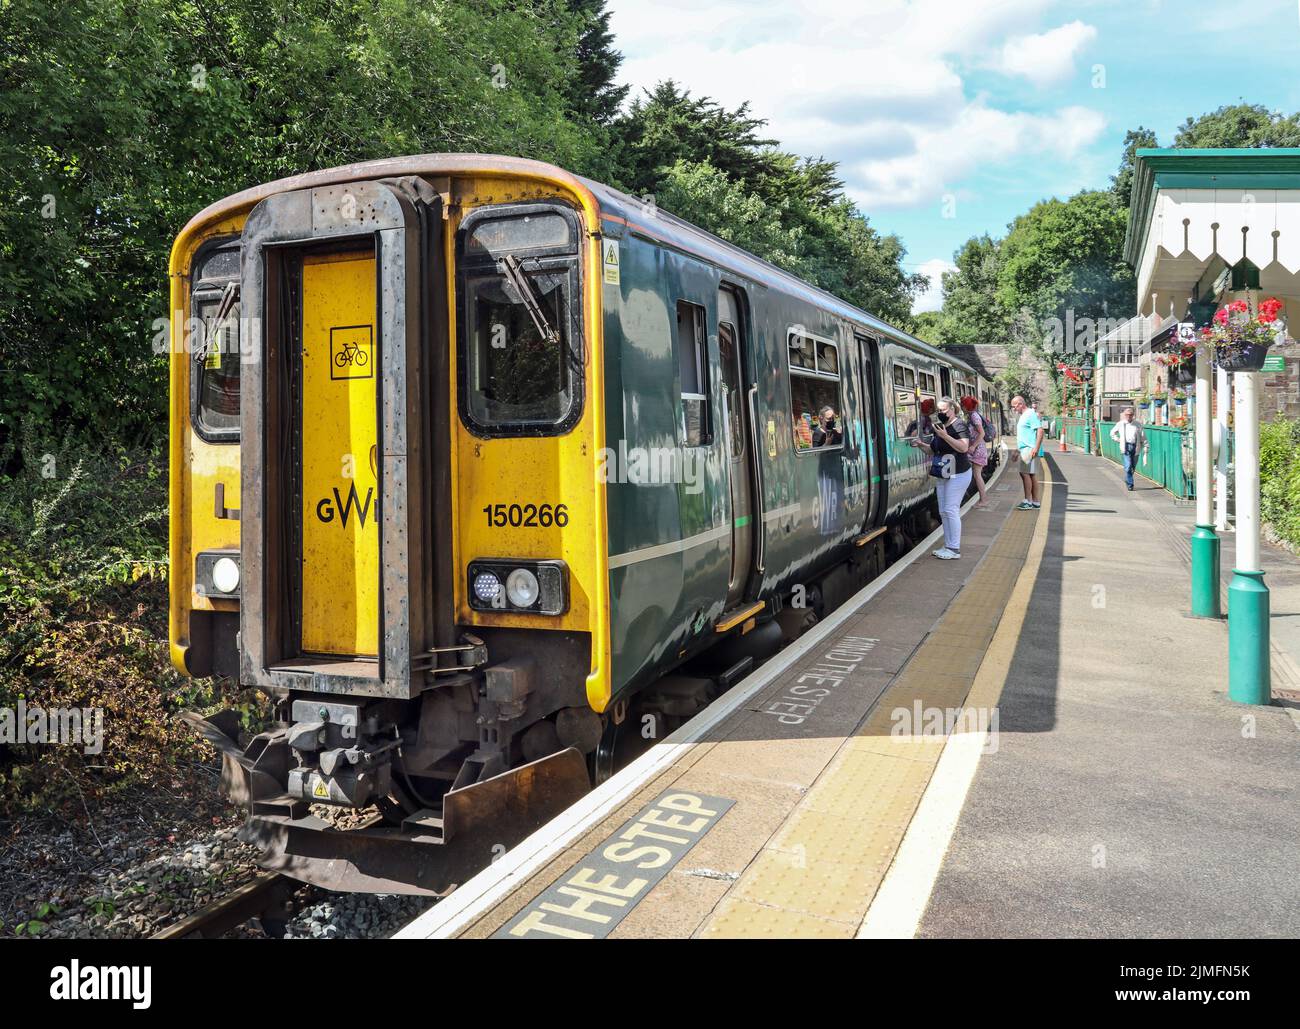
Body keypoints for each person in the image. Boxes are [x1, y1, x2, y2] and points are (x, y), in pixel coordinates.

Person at [910, 396, 972, 560]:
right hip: (944, 472)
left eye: (943, 410)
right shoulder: (941, 426)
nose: (940, 413)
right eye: (939, 410)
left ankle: (954, 548)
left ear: (952, 409)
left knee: (951, 509)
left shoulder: (959, 424)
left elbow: (964, 447)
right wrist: (921, 445)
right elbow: (933, 451)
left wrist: (945, 436)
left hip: (959, 473)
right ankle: (948, 545)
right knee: (943, 510)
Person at [1010, 395, 1045, 511]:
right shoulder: (1025, 415)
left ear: (1021, 404)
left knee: (1025, 474)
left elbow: (1040, 430)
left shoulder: (1030, 414)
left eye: (1014, 406)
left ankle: (1027, 501)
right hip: (1026, 448)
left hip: (1029, 449)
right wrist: (1017, 450)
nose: (1014, 409)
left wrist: (1036, 447)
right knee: (1031, 475)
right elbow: (1024, 435)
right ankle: (1035, 502)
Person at [959, 394, 993, 507]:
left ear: (966, 406)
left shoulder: (974, 416)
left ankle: (984, 500)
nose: (961, 407)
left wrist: (973, 446)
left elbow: (981, 433)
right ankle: (983, 499)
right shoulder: (971, 415)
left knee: (977, 475)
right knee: (976, 474)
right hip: (977, 449)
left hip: (978, 449)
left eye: (962, 405)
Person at [1109, 407, 1148, 491]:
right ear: (1124, 415)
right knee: (1128, 466)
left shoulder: (1138, 424)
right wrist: (1118, 440)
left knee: (1133, 466)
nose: (1128, 416)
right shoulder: (1121, 424)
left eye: (1130, 415)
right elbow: (1112, 433)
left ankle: (1128, 478)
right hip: (1125, 447)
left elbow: (1143, 436)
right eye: (1127, 415)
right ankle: (1130, 484)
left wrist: (1146, 445)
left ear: (1133, 415)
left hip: (1135, 446)